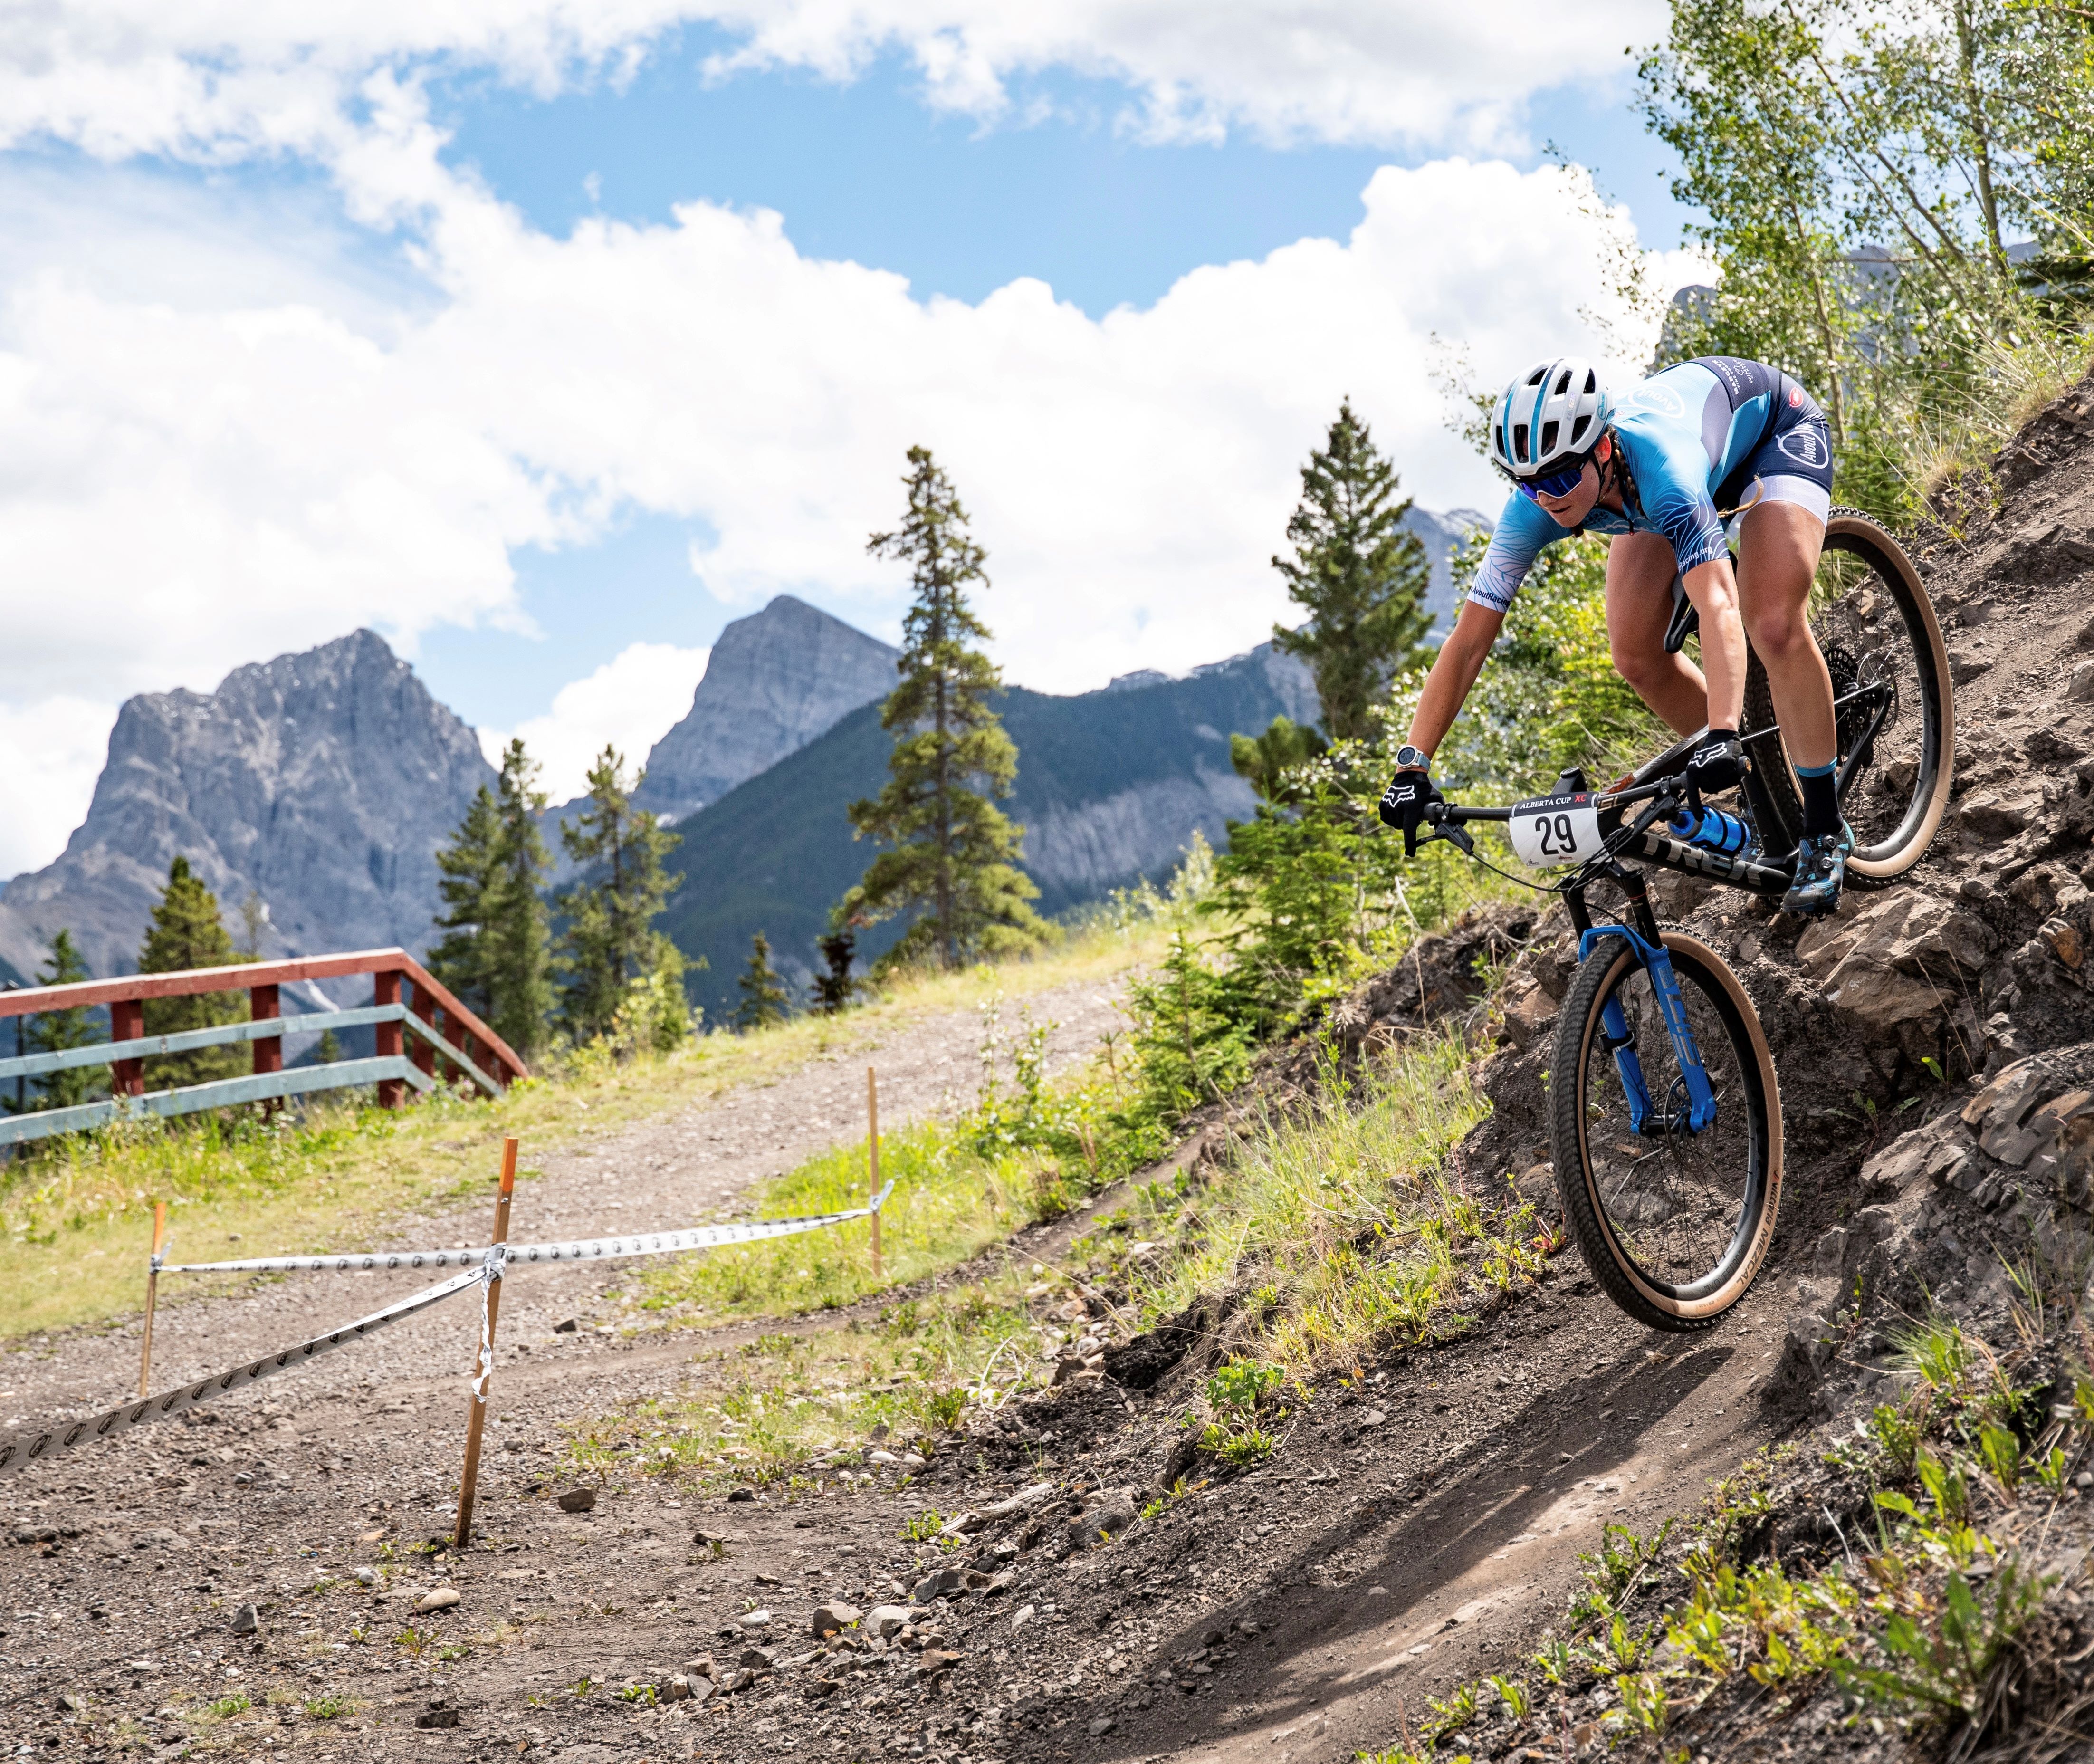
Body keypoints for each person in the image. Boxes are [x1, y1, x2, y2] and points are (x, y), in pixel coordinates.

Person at [1377, 354, 1849, 917]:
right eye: (1526, 484)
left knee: (1770, 623)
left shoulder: (1665, 472)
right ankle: (1762, 783)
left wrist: (1721, 732)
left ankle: (1824, 829)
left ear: (1602, 449)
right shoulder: (1537, 507)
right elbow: (1468, 643)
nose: (1546, 497)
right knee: (1635, 654)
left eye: (1556, 477)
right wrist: (1412, 765)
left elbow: (1718, 602)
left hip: (1773, 431)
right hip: (1637, 490)